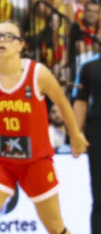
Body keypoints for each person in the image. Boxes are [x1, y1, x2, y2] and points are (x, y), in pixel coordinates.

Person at [0, 21, 86, 234]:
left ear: (21, 45)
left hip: (36, 162)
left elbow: (62, 103)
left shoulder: (38, 74)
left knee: (56, 228)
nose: (2, 40)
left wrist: (75, 134)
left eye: (8, 36)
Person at [73, 53, 101, 232]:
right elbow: (80, 101)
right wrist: (76, 134)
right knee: (99, 194)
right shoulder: (88, 66)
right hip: (98, 132)